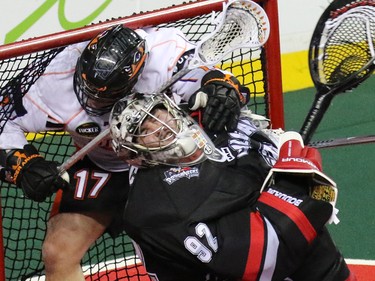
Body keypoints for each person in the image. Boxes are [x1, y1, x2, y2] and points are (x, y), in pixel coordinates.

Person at [0, 24, 249, 280]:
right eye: (89, 91)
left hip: (170, 159)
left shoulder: (164, 53)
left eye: (103, 97)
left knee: (198, 243)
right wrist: (22, 164)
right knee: (57, 252)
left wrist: (220, 89)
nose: (93, 102)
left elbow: (208, 78)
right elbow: (2, 120)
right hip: (107, 165)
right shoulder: (52, 78)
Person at [109, 94, 356, 281]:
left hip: (311, 260)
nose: (160, 127)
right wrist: (302, 175)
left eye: (158, 115)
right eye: (144, 131)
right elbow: (263, 256)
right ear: (134, 155)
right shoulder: (157, 205)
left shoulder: (214, 126)